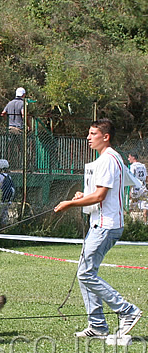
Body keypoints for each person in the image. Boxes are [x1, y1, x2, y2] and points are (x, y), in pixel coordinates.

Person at [54, 119, 142, 338]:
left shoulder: (109, 160)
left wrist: (70, 204)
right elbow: (101, 194)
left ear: (106, 136)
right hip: (100, 224)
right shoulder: (109, 159)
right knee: (86, 273)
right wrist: (83, 196)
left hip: (105, 225)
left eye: (93, 133)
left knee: (85, 274)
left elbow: (101, 195)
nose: (88, 137)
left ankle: (126, 310)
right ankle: (98, 326)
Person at [1, 87, 27, 167]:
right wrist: (27, 124)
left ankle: (8, 164)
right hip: (19, 129)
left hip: (10, 128)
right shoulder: (22, 103)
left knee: (9, 148)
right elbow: (23, 115)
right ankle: (26, 165)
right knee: (22, 148)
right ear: (23, 95)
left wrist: (8, 120)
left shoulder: (10, 103)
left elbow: (3, 113)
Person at [128, 152, 147, 222]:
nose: (128, 159)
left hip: (135, 188)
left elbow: (131, 177)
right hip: (143, 187)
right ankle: (145, 221)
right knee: (144, 203)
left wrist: (130, 189)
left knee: (131, 204)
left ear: (133, 158)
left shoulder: (133, 166)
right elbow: (146, 177)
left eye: (129, 157)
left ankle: (129, 219)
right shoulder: (143, 166)